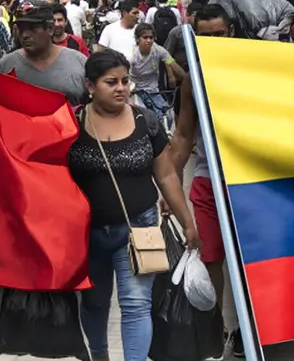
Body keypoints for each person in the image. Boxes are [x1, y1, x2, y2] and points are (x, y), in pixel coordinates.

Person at [72, 50, 200, 361]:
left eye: (125, 81)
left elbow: (166, 175)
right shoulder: (71, 122)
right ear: (90, 86)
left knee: (136, 304)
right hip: (85, 234)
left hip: (138, 230)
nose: (121, 88)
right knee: (94, 302)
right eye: (110, 82)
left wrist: (187, 222)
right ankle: (99, 355)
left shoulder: (146, 121)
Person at [165, 3, 246, 359]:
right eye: (206, 36)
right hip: (207, 181)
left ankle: (248, 330)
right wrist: (169, 184)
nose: (214, 41)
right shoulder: (191, 79)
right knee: (210, 257)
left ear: (232, 32)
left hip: (248, 183)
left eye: (220, 34)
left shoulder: (251, 69)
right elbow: (183, 134)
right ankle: (217, 330)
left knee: (247, 261)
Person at [0, 1, 88, 105]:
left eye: (32, 28)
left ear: (50, 29)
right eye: (21, 29)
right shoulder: (4, 67)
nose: (25, 35)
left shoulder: (79, 63)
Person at [130, 23, 185, 120]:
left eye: (151, 37)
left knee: (168, 117)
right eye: (145, 37)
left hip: (153, 91)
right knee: (143, 118)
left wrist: (186, 79)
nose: (149, 40)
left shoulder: (159, 50)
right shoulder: (132, 55)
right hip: (136, 92)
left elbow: (173, 64)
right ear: (137, 39)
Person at [163, 2, 202, 70]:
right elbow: (167, 55)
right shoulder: (176, 32)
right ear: (187, 15)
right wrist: (170, 73)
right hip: (180, 70)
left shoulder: (203, 32)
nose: (197, 20)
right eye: (195, 16)